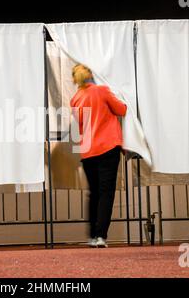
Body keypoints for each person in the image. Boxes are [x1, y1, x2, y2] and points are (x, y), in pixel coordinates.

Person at [70, 64, 127, 248]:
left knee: (93, 194)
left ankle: (93, 236)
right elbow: (122, 110)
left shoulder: (75, 99)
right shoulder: (102, 91)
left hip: (88, 152)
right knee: (106, 193)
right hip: (107, 147)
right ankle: (101, 235)